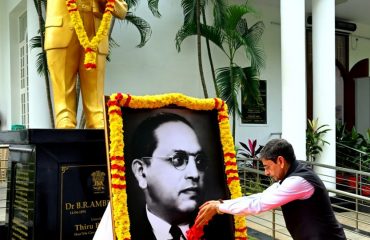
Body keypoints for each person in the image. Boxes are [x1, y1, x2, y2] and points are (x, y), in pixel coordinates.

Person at [95, 112, 226, 240]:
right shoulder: (121, 228)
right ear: (141, 172)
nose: (194, 174)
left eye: (199, 161)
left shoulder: (223, 230)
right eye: (177, 160)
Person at [195, 138, 347, 240]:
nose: (266, 172)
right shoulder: (289, 178)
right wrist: (220, 204)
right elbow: (259, 197)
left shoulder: (298, 181)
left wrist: (219, 207)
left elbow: (259, 205)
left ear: (280, 161)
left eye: (267, 167)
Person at [44, 0, 128, 128]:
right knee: (64, 111)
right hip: (62, 29)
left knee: (96, 110)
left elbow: (121, 10)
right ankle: (64, 120)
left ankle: (97, 122)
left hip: (95, 34)